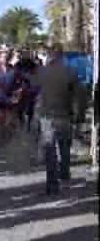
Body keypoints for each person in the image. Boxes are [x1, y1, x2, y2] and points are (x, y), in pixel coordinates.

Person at [36, 45, 80, 195]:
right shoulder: (71, 72)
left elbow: (34, 87)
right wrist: (78, 117)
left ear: (49, 56)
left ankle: (52, 185)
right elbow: (78, 98)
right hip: (65, 116)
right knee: (65, 149)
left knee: (50, 151)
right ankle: (65, 179)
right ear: (62, 56)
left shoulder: (42, 72)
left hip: (47, 116)